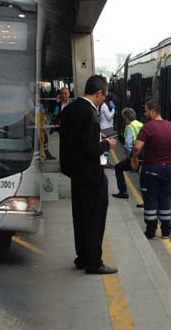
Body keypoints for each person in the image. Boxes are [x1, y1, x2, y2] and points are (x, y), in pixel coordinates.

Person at [59, 75, 118, 275]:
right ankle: (93, 261)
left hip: (75, 173)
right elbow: (91, 149)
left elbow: (73, 139)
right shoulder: (91, 113)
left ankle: (82, 257)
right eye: (104, 95)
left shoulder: (70, 109)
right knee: (95, 218)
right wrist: (106, 143)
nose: (104, 99)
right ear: (99, 93)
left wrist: (95, 136)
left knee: (81, 216)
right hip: (91, 174)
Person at [130, 100, 171, 239]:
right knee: (165, 198)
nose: (145, 114)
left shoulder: (148, 127)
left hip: (150, 169)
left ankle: (151, 232)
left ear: (152, 111)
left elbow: (137, 147)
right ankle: (166, 231)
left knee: (150, 199)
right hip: (167, 169)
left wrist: (134, 158)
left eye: (146, 111)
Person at [112, 108, 144, 199]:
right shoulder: (140, 124)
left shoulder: (130, 127)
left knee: (118, 167)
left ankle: (123, 192)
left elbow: (128, 144)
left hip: (134, 155)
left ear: (126, 118)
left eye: (124, 118)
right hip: (143, 154)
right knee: (143, 175)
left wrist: (127, 157)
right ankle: (147, 200)